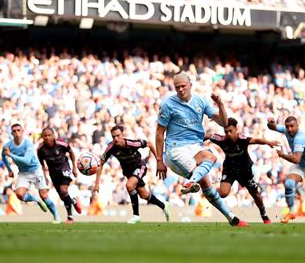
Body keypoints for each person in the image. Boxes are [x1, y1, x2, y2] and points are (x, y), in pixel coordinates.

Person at [155, 72, 248, 227]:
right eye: (177, 87)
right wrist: (159, 160)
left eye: (183, 86)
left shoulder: (201, 100)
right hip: (176, 149)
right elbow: (159, 132)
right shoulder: (167, 104)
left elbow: (224, 123)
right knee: (205, 175)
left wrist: (221, 104)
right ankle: (191, 183)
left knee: (210, 162)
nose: (180, 90)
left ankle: (232, 219)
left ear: (190, 84)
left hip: (195, 147)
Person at [206, 117, 280, 224]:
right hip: (229, 170)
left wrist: (268, 142)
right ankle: (207, 189)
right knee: (223, 193)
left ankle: (264, 215)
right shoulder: (221, 140)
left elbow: (256, 140)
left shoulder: (242, 139)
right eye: (226, 132)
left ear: (236, 129)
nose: (228, 134)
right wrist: (196, 140)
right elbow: (208, 136)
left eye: (230, 131)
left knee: (255, 193)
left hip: (245, 171)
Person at [92, 125, 170, 224]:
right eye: (113, 137)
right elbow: (101, 162)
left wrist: (159, 160)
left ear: (123, 135)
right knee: (144, 195)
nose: (116, 139)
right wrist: (96, 184)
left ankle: (136, 216)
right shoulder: (111, 147)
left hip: (139, 167)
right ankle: (164, 206)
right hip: (129, 172)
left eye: (118, 135)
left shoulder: (131, 143)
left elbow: (149, 144)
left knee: (129, 185)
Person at [267, 116, 305, 224]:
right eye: (287, 127)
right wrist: (271, 122)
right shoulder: (286, 130)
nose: (289, 129)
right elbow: (272, 127)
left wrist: (282, 155)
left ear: (297, 126)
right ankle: (291, 212)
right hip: (300, 165)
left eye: (292, 126)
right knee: (289, 184)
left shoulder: (300, 138)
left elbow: (295, 159)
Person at [2, 123, 60, 223]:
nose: (16, 133)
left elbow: (27, 161)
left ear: (22, 131)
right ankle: (35, 199)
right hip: (23, 173)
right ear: (11, 133)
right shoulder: (8, 145)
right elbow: (3, 156)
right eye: (14, 131)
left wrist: (11, 155)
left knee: (44, 196)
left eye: (18, 130)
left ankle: (56, 216)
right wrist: (9, 170)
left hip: (35, 171)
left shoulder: (28, 144)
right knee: (19, 194)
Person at [37, 127, 82, 224]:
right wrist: (45, 176)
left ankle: (70, 216)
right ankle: (73, 203)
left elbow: (71, 152)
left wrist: (74, 167)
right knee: (63, 196)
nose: (47, 137)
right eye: (45, 136)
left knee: (63, 190)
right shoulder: (40, 149)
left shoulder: (62, 144)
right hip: (53, 173)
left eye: (49, 135)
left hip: (64, 168)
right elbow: (42, 164)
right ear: (42, 137)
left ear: (53, 136)